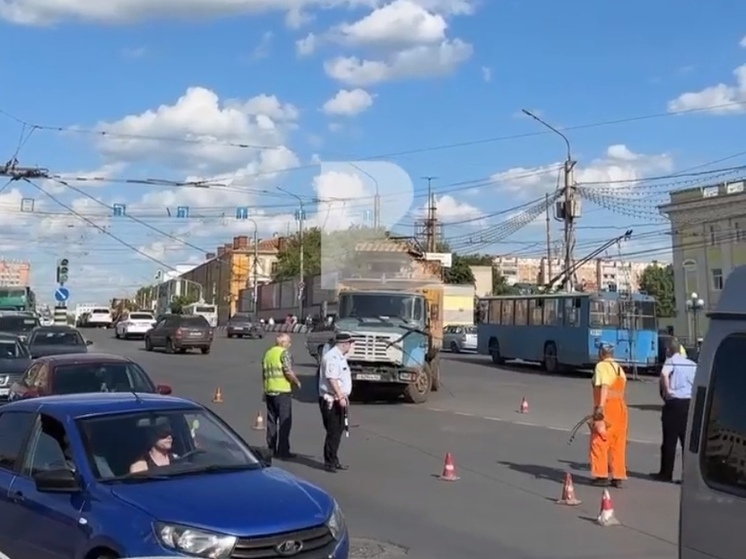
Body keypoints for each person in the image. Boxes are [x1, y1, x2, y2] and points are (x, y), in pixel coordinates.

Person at [652, 338, 696, 483]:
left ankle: (666, 474)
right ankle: (687, 477)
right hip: (688, 403)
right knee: (686, 442)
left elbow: (664, 374)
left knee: (669, 441)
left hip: (674, 403)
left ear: (669, 350)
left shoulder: (671, 361)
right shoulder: (691, 364)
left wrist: (668, 390)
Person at [589, 343, 628, 487]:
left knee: (599, 439)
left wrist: (600, 407)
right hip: (621, 407)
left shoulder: (601, 367)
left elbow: (604, 385)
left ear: (601, 353)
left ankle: (601, 475)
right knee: (618, 442)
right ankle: (618, 475)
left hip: (607, 406)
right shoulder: (618, 368)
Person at [262, 333, 301, 459]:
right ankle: (283, 451)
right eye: (288, 342)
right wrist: (296, 382)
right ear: (283, 343)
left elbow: (264, 373)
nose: (290, 345)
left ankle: (271, 449)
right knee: (285, 421)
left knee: (271, 421)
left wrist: (265, 389)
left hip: (270, 391)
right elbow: (287, 370)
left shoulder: (268, 353)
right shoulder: (284, 353)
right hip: (282, 391)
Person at [318, 332, 354, 473]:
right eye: (350, 343)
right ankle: (329, 462)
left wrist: (344, 396)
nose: (351, 346)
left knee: (338, 431)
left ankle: (334, 459)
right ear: (344, 344)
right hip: (331, 399)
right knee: (333, 431)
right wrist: (340, 395)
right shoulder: (332, 357)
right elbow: (331, 378)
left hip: (338, 398)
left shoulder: (340, 357)